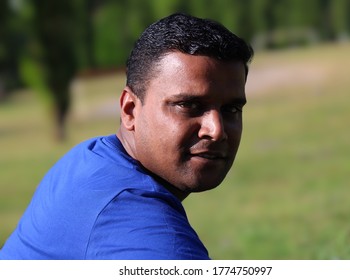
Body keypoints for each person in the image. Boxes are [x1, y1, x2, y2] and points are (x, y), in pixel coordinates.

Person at [0, 13, 253, 259]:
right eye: (188, 105)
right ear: (130, 110)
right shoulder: (155, 240)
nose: (216, 129)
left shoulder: (91, 157)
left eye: (231, 109)